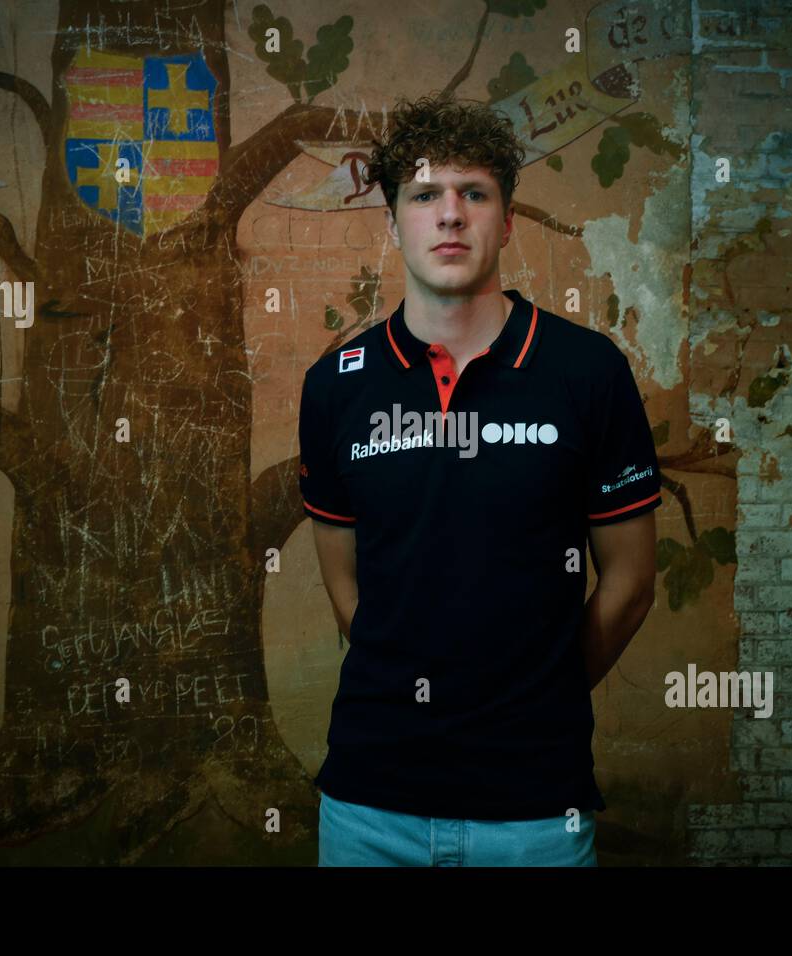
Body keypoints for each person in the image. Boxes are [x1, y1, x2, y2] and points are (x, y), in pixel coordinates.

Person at [297, 91, 661, 866]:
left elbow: (629, 582)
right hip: (369, 807)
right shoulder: (336, 386)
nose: (450, 215)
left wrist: (540, 696)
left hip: (534, 813)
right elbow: (345, 584)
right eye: (425, 195)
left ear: (506, 220)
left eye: (474, 194)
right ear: (393, 223)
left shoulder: (586, 372)